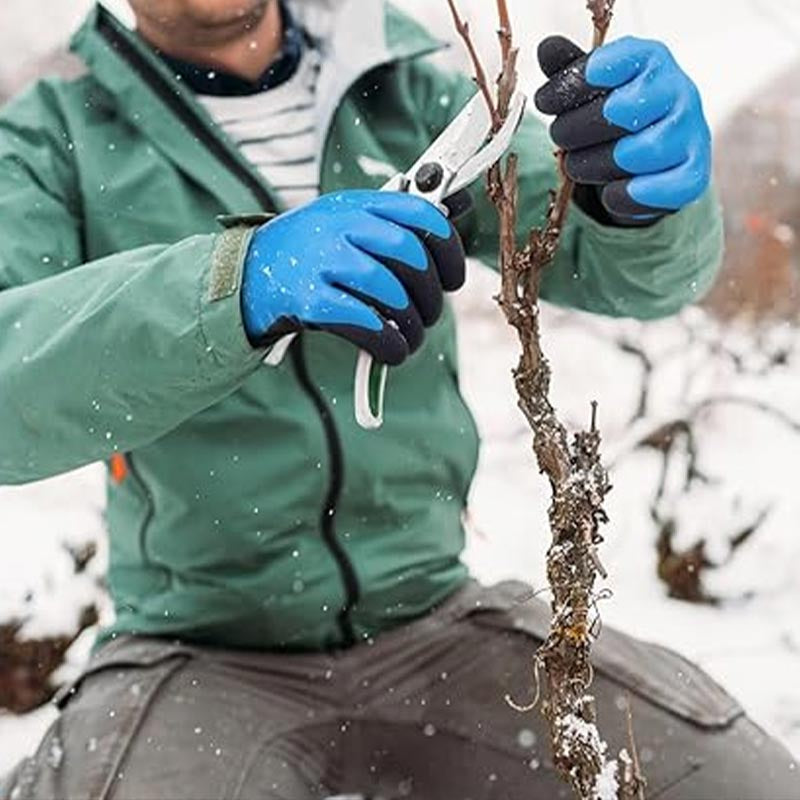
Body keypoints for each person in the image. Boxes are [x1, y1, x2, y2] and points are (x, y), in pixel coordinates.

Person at [0, 1, 797, 798]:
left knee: (732, 782)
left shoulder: (403, 90)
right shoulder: (48, 133)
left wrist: (640, 198)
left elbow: (633, 273)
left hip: (440, 627)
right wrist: (234, 285)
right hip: (192, 651)